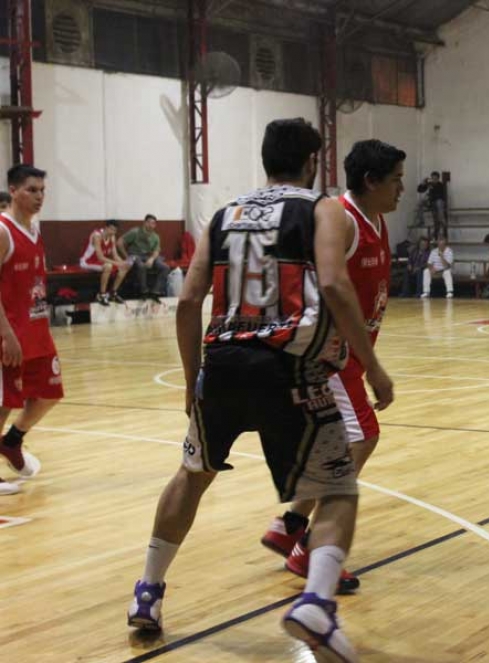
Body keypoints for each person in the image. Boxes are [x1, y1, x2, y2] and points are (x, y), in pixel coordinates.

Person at [127, 120, 395, 663]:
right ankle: (316, 602)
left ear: (266, 158)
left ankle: (148, 592)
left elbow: (187, 301)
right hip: (289, 367)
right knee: (339, 487)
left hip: (221, 365)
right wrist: (372, 365)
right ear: (312, 163)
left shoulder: (225, 213)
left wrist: (190, 378)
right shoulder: (322, 209)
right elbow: (336, 284)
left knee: (191, 475)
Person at [260, 139, 406, 590]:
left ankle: (288, 527)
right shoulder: (341, 220)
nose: (402, 189)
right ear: (370, 181)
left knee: (339, 446)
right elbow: (321, 285)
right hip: (331, 354)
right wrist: (370, 364)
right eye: (396, 181)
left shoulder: (376, 219)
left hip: (350, 356)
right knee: (362, 438)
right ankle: (309, 553)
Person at [0, 165, 62, 496]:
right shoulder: (3, 230)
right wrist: (7, 333)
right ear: (13, 190)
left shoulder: (35, 230)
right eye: (31, 190)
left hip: (37, 327)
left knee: (49, 393)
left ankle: (12, 442)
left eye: (42, 190)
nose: (39, 196)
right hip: (9, 331)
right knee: (5, 401)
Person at [118, 214, 169, 302]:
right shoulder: (135, 232)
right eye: (148, 222)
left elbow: (156, 251)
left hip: (148, 256)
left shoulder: (155, 236)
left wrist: (152, 259)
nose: (151, 225)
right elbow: (119, 242)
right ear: (144, 223)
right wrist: (126, 256)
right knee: (141, 266)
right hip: (135, 255)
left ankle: (155, 292)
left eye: (153, 223)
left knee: (165, 267)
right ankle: (144, 291)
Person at [79, 219, 130, 305]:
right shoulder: (97, 236)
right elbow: (101, 257)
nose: (112, 232)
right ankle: (101, 295)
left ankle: (113, 293)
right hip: (87, 261)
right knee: (108, 266)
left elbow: (115, 255)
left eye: (115, 230)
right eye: (111, 229)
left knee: (125, 267)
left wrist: (123, 263)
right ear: (106, 227)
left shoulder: (112, 237)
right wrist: (117, 263)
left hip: (100, 262)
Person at [416, 171, 448, 240]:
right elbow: (419, 190)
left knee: (439, 202)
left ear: (438, 178)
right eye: (433, 178)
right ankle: (421, 221)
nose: (434, 180)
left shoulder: (440, 185)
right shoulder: (429, 184)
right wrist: (423, 183)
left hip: (438, 203)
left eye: (435, 178)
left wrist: (431, 193)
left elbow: (441, 197)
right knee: (420, 203)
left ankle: (441, 219)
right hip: (431, 203)